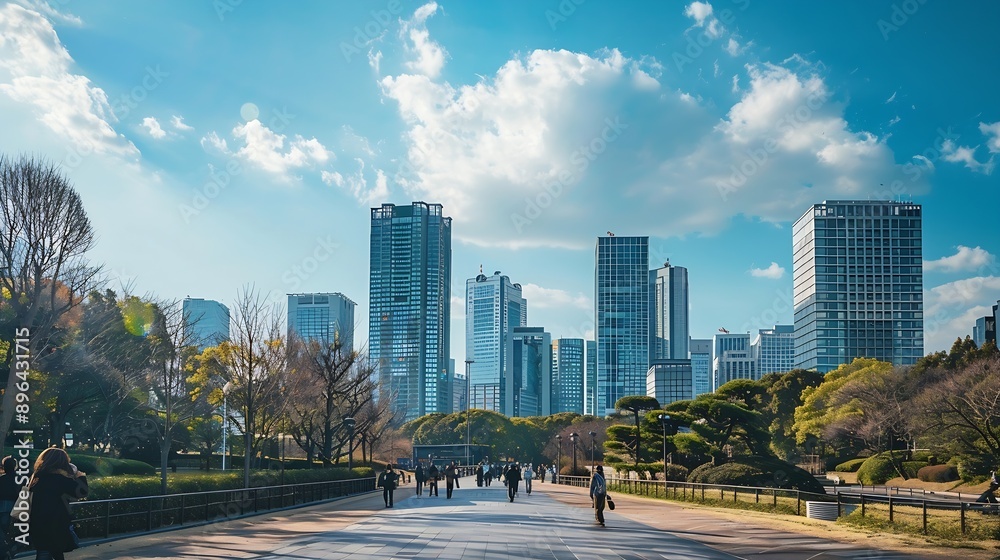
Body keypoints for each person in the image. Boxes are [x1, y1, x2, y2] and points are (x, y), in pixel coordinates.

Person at [29, 447, 88, 560]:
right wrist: (81, 477)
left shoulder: (36, 478)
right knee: (51, 551)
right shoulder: (60, 479)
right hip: (55, 522)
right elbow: (82, 492)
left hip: (36, 521)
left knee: (47, 550)